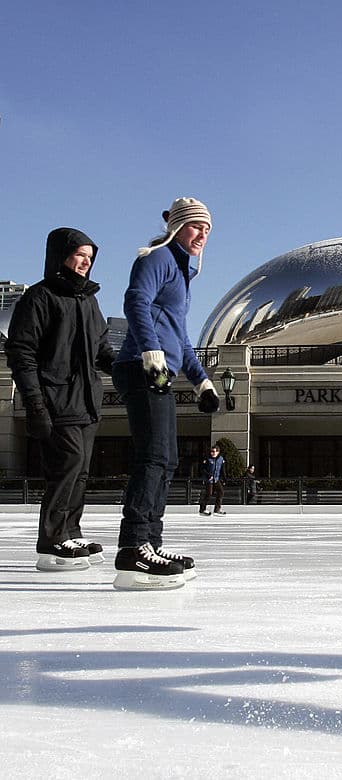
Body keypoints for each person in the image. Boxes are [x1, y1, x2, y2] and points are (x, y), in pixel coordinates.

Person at [111, 197, 219, 590]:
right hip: (140, 367)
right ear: (176, 227)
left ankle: (151, 542)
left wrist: (202, 381)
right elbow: (135, 301)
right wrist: (150, 352)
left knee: (168, 459)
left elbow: (181, 337)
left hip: (161, 370)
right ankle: (133, 547)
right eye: (195, 227)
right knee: (153, 456)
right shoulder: (157, 258)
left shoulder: (182, 272)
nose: (202, 235)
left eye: (207, 229)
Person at [5, 228, 116, 572]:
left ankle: (70, 532)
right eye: (79, 255)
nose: (85, 262)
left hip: (86, 400)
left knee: (80, 470)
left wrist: (128, 368)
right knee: (67, 465)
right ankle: (51, 539)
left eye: (89, 257)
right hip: (55, 398)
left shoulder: (89, 300)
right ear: (60, 256)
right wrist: (35, 404)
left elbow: (102, 349)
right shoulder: (40, 297)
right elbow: (21, 352)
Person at [199, 444, 226, 515]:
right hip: (209, 479)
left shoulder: (221, 459)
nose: (212, 453)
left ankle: (217, 509)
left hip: (216, 479)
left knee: (221, 492)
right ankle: (202, 509)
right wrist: (208, 475)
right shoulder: (207, 458)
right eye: (211, 451)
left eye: (214, 451)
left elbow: (222, 469)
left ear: (218, 452)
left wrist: (224, 479)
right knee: (209, 494)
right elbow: (202, 469)